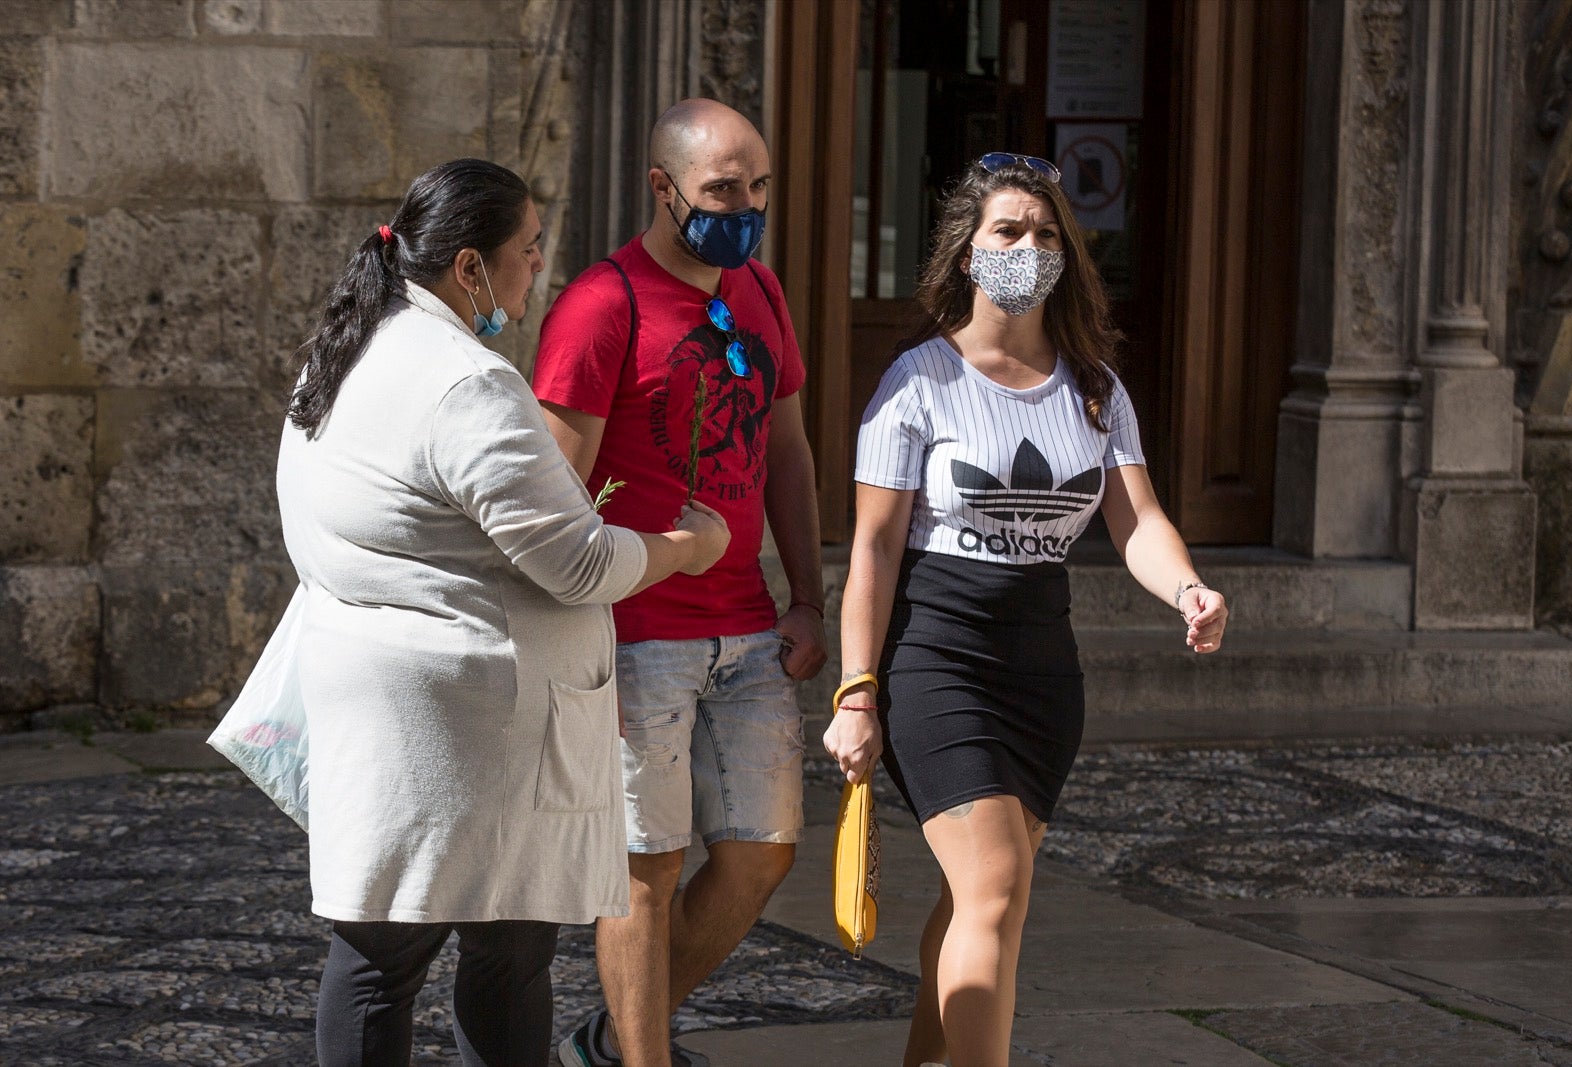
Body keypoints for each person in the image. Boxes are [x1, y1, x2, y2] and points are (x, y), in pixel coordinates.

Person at [275, 157, 730, 1067]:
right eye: (529, 249)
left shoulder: (344, 352)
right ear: (469, 266)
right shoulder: (466, 381)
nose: (538, 270)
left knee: (387, 954)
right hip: (470, 723)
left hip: (381, 696)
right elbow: (579, 561)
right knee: (495, 953)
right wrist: (686, 547)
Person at [824, 153, 1230, 1067]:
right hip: (937, 660)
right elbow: (874, 549)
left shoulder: (1095, 389)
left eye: (1047, 235)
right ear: (969, 252)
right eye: (1008, 231)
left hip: (1042, 675)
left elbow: (1138, 520)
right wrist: (857, 691)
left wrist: (1188, 588)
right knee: (997, 885)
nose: (1028, 249)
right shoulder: (918, 382)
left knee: (978, 898)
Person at [532, 98, 827, 1067]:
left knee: (761, 852)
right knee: (644, 870)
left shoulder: (760, 291)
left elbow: (787, 451)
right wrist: (570, 639)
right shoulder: (599, 305)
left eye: (760, 187)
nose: (746, 208)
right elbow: (551, 495)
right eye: (723, 190)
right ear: (663, 188)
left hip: (746, 626)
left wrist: (807, 595)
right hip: (635, 633)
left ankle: (616, 1040)